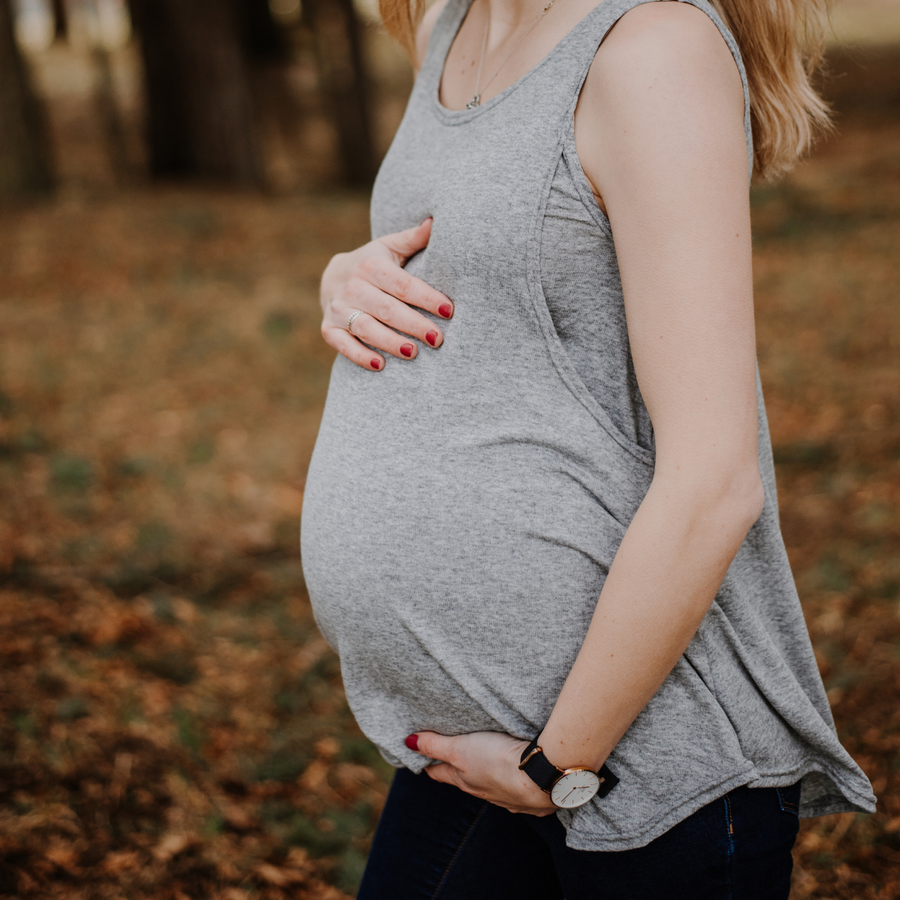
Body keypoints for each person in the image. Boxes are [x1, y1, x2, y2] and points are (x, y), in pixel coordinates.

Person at [300, 0, 876, 894]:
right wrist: (346, 276)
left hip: (642, 771)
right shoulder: (455, 28)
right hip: (471, 748)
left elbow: (715, 479)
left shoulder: (652, 50)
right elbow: (495, 276)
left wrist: (552, 766)